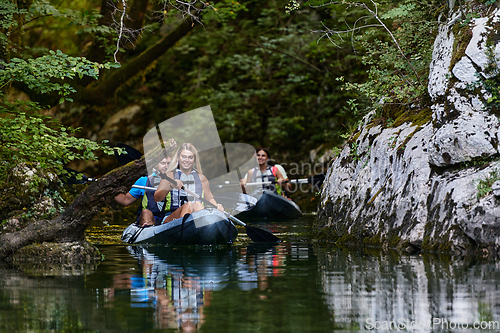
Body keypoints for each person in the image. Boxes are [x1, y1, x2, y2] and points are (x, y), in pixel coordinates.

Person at [154, 142, 224, 224]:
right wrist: (170, 186)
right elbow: (157, 198)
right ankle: (185, 228)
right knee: (188, 205)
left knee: (197, 204)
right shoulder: (169, 176)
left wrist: (217, 207)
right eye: (183, 157)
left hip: (194, 218)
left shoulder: (202, 178)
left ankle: (202, 228)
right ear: (178, 157)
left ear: (194, 159)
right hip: (171, 218)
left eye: (190, 157)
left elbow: (210, 199)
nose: (187, 160)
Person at [114, 156, 173, 225]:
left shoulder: (179, 180)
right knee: (145, 212)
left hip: (170, 219)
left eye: (169, 163)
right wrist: (111, 190)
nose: (166, 166)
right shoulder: (144, 180)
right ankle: (148, 228)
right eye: (163, 163)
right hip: (150, 218)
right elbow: (125, 200)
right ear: (156, 164)